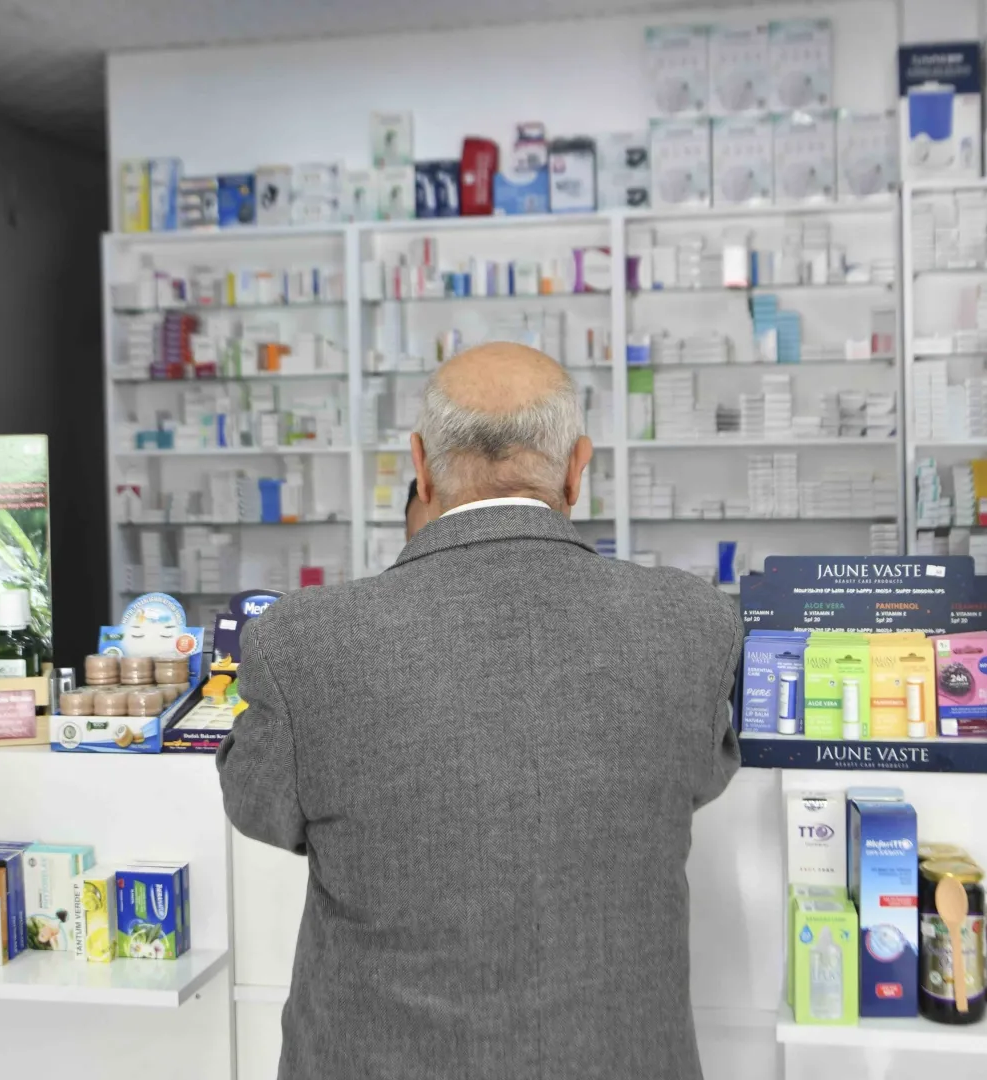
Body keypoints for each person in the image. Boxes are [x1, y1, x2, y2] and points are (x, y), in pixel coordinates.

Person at [217, 342, 743, 1080]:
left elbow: (259, 808)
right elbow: (702, 774)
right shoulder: (689, 622)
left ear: (421, 466)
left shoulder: (305, 641)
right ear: (578, 468)